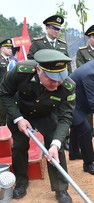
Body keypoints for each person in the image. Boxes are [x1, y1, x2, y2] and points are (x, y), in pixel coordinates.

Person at [0, 49, 75, 202]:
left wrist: (55, 144)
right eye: (52, 79)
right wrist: (18, 118)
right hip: (20, 111)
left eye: (60, 79)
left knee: (55, 146)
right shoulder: (22, 70)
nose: (57, 83)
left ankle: (61, 189)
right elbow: (4, 93)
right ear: (39, 70)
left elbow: (65, 117)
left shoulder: (68, 86)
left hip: (47, 115)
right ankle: (21, 182)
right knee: (19, 146)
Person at [0, 39, 13, 126]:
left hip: (10, 92)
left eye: (10, 48)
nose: (10, 50)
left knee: (9, 115)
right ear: (1, 49)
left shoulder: (12, 61)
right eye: (7, 48)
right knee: (1, 115)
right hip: (1, 92)